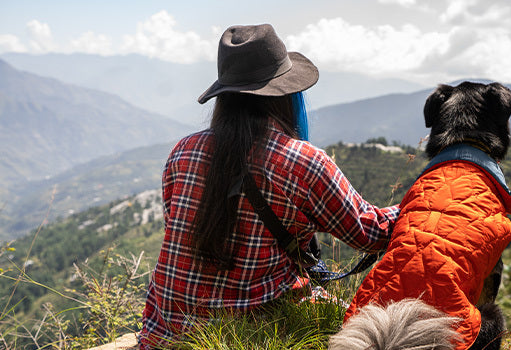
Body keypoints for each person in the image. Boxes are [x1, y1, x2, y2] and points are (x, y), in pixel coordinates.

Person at [139, 24, 400, 348]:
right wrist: (423, 196)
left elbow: (175, 225)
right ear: (284, 95)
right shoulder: (304, 162)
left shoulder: (183, 151)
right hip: (250, 336)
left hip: (161, 336)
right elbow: (372, 235)